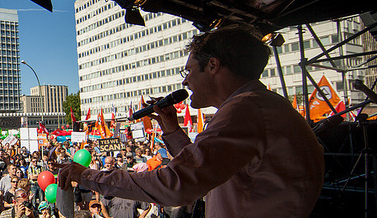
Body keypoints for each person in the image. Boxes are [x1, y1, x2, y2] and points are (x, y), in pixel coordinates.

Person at [57, 24, 325, 217]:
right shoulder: (262, 105)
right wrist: (172, 130)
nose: (185, 81)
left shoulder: (244, 111)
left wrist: (87, 175)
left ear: (213, 66)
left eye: (189, 71)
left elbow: (176, 185)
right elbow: (203, 168)